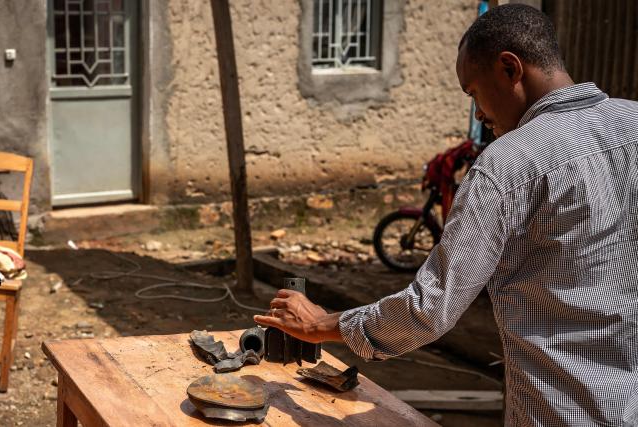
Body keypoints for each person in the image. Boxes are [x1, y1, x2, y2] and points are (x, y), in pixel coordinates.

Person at [255, 4, 638, 425]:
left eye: (473, 92)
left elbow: (429, 308)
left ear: (510, 69)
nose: (478, 115)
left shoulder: (509, 164)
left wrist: (322, 324)